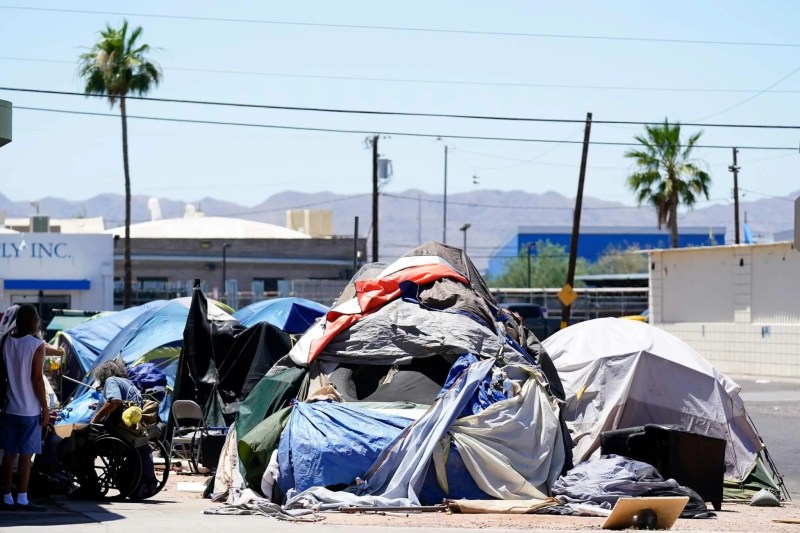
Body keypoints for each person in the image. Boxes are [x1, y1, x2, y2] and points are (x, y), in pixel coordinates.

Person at [0, 304, 49, 511]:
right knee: (26, 456)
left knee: (8, 455)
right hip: (29, 409)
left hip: (9, 407)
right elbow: (37, 379)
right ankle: (22, 498)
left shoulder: (5, 342)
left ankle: (5, 497)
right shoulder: (36, 345)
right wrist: (45, 409)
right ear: (34, 321)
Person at [89, 361, 157, 498]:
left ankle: (89, 485)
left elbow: (115, 402)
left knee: (77, 446)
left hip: (118, 432)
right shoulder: (127, 383)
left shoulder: (111, 381)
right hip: (131, 431)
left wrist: (95, 417)